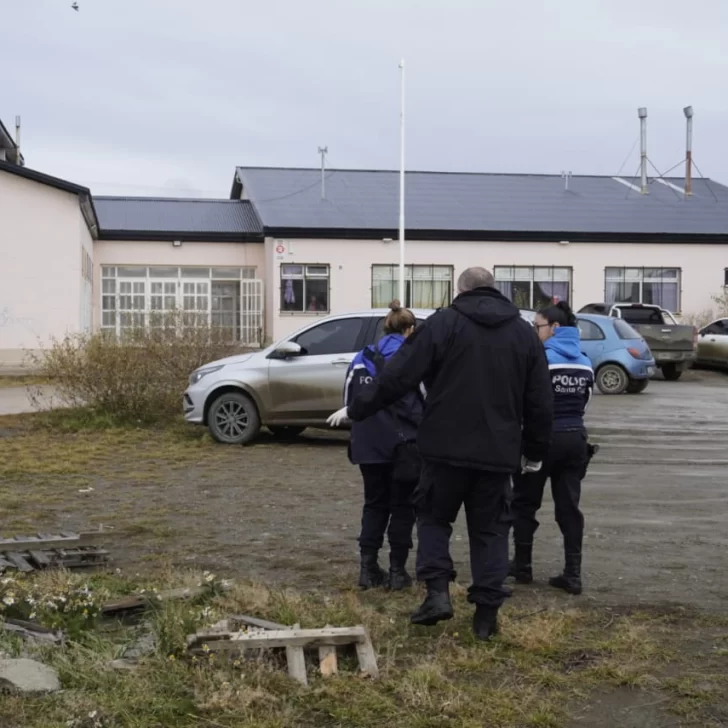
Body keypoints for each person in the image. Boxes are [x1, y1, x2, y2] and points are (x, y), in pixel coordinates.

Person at [327, 267, 553, 640]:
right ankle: (486, 616)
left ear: (460, 290)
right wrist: (534, 451)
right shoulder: (524, 335)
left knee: (432, 519)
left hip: (442, 449)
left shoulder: (443, 324)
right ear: (494, 290)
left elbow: (398, 375)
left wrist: (357, 408)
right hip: (498, 453)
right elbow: (541, 400)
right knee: (491, 531)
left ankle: (437, 594)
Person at [509, 301, 594, 596]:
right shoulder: (584, 360)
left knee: (524, 503)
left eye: (538, 326)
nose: (535, 332)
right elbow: (585, 401)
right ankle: (573, 574)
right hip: (574, 440)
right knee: (569, 508)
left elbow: (526, 401)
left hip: (541, 440)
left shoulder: (541, 358)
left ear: (554, 328)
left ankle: (522, 567)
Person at [343, 300, 423, 591]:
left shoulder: (360, 359)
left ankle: (367, 568)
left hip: (368, 444)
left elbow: (349, 402)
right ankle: (398, 572)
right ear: (410, 329)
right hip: (405, 446)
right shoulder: (414, 360)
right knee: (403, 508)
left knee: (374, 504)